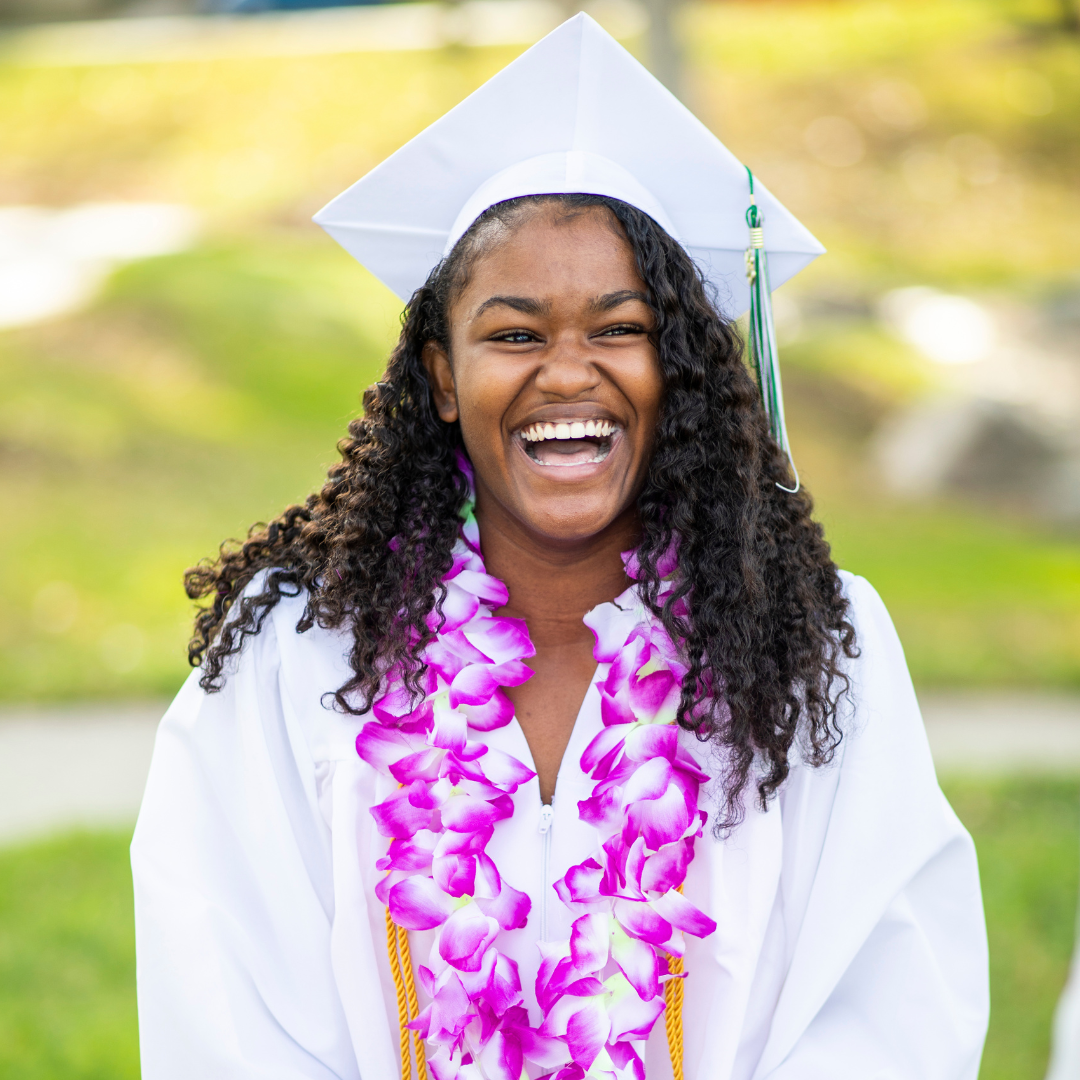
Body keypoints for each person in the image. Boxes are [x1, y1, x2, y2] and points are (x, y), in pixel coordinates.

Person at [131, 15, 989, 1080]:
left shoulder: (814, 642)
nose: (569, 373)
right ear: (442, 378)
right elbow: (222, 996)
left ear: (679, 368)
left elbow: (888, 999)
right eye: (514, 333)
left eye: (622, 329)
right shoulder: (297, 653)